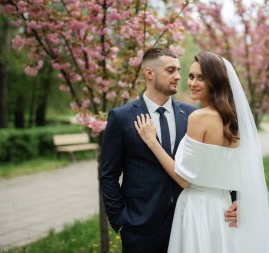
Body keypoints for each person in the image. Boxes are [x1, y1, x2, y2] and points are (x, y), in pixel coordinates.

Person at [134, 52, 269, 252]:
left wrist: (152, 142)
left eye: (201, 77)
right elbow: (245, 173)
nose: (193, 83)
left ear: (215, 81)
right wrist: (242, 202)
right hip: (223, 207)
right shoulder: (235, 122)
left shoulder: (199, 118)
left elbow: (184, 179)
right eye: (191, 76)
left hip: (198, 208)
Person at [100, 48, 237, 253]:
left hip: (190, 222)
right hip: (141, 228)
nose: (178, 77)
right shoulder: (122, 117)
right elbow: (108, 175)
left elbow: (218, 163)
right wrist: (120, 220)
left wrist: (237, 200)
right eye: (171, 70)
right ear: (149, 73)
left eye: (179, 70)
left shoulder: (194, 115)